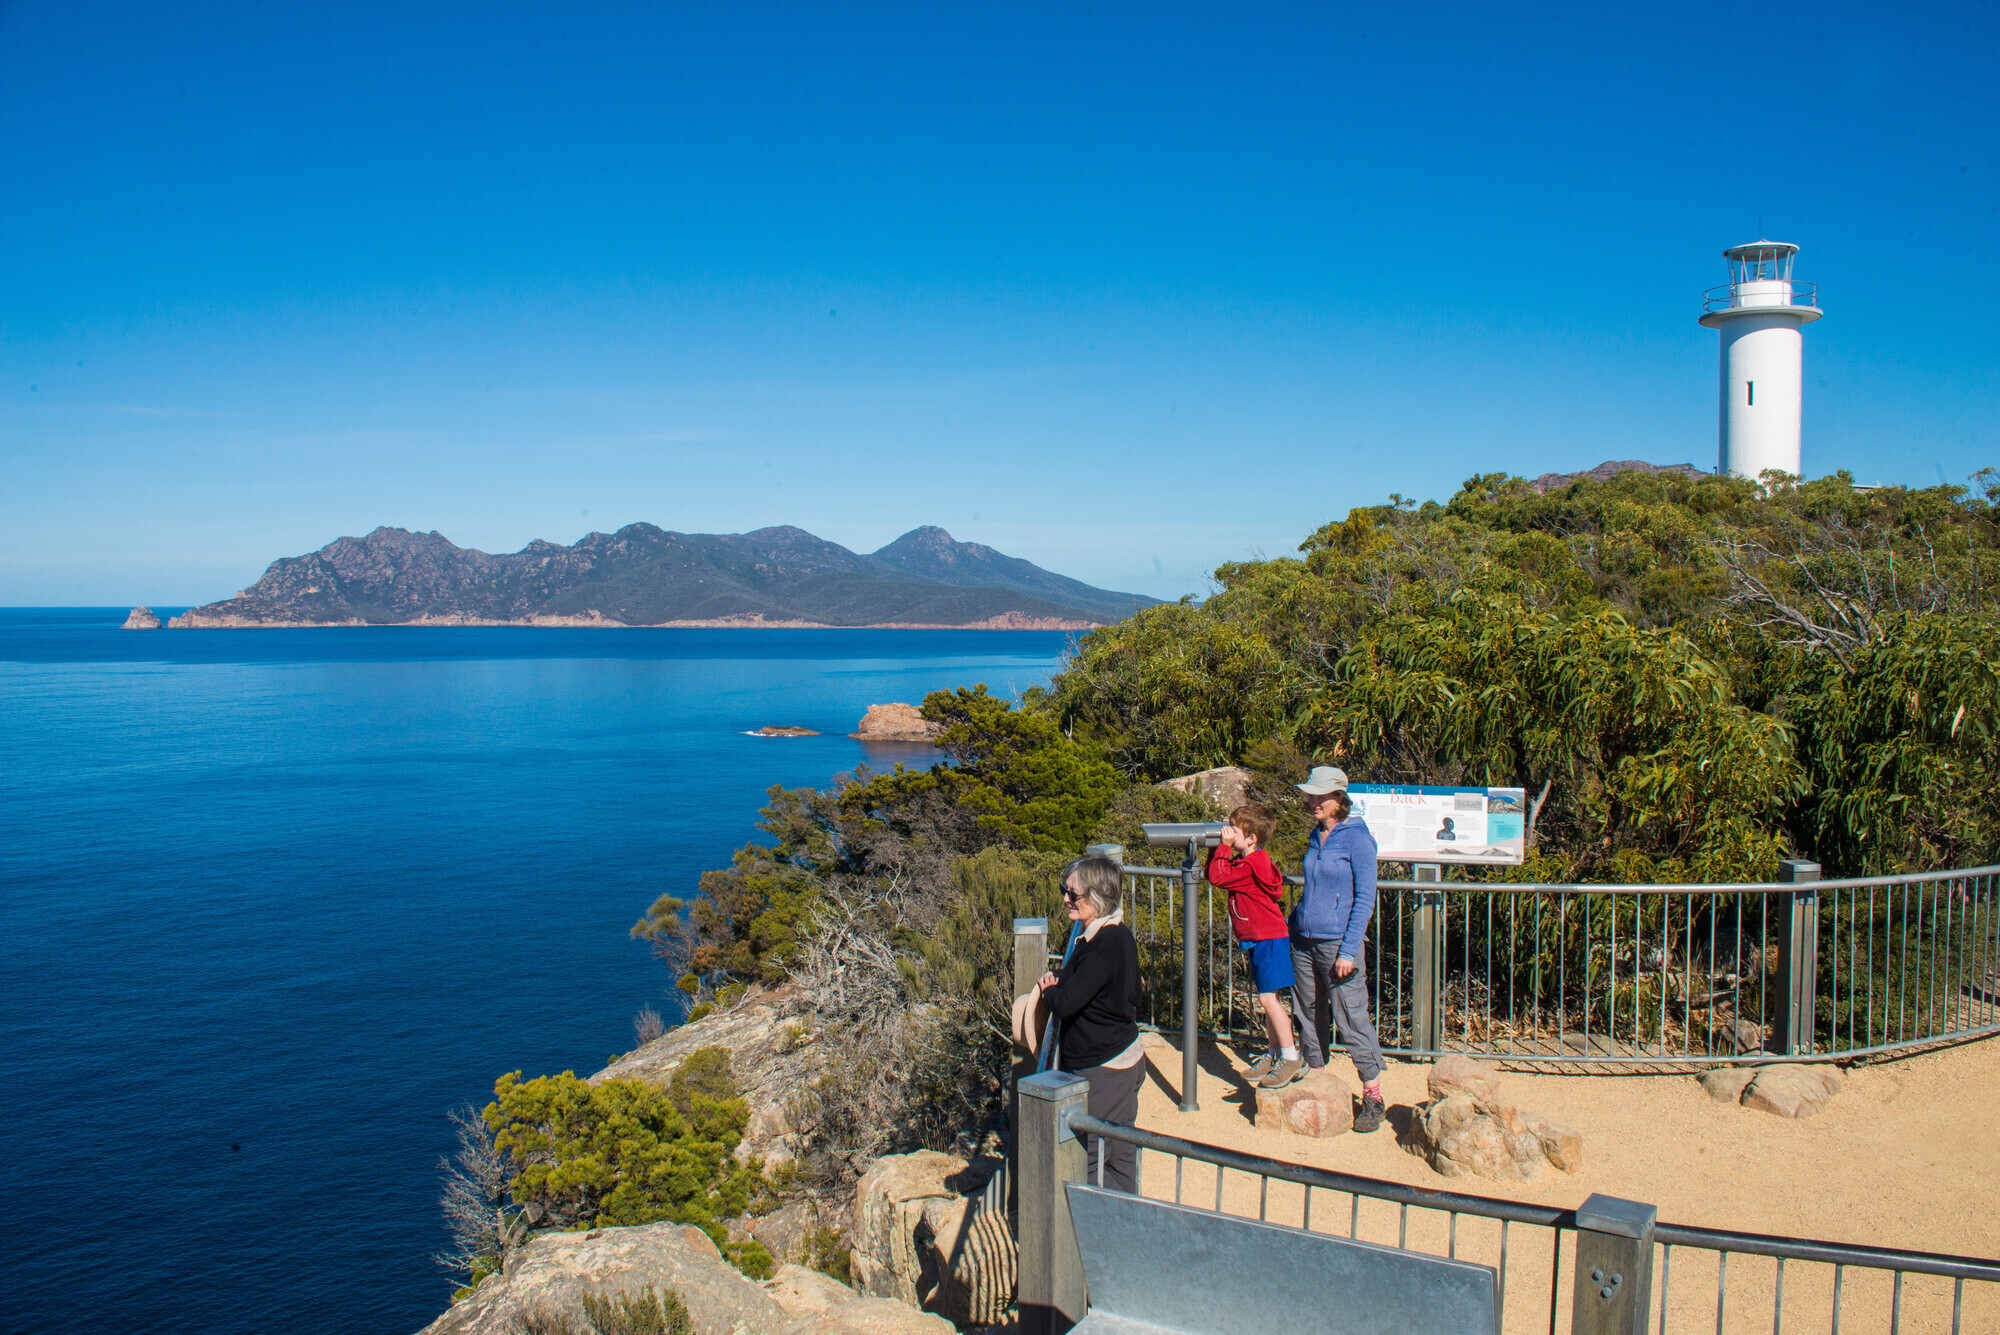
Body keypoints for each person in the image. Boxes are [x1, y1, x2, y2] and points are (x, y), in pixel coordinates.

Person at [1288, 765, 1388, 1132]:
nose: (1312, 801)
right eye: (1311, 795)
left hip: (1337, 944)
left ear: (1338, 799)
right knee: (1308, 1010)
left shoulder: (1358, 839)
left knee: (1350, 1015)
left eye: (1320, 796)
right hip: (1303, 939)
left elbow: (1364, 898)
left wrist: (1348, 950)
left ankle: (1373, 1094)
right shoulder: (1318, 835)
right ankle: (1316, 1075)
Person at [1037, 853, 1144, 1192]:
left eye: (1074, 894)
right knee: (1119, 1149)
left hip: (1106, 1068)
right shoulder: (1109, 936)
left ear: (1097, 898)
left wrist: (1049, 992)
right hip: (1115, 1060)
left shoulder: (1105, 945)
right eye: (1065, 890)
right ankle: (1123, 1219)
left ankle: (1090, 1230)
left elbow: (1067, 1003)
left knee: (1093, 1155)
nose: (1066, 899)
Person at [1204, 802, 1303, 1089]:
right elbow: (1217, 873)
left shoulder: (1252, 866)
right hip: (1259, 937)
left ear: (1251, 838)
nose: (1229, 833)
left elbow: (1219, 876)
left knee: (1269, 1000)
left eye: (1234, 830)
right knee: (1266, 996)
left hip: (1268, 938)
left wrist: (1221, 848)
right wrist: (1216, 849)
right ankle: (1274, 1053)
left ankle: (1289, 1056)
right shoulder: (1249, 863)